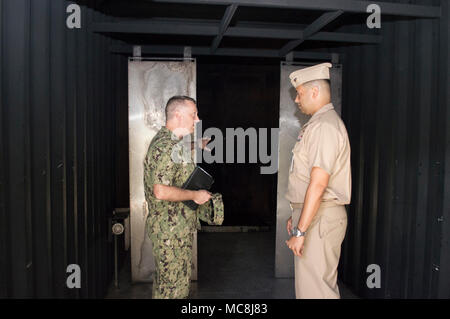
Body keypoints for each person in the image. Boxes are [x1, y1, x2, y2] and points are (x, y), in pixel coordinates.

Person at [143, 95, 223, 299]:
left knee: (172, 286)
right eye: (193, 114)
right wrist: (195, 195)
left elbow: (173, 156)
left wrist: (197, 145)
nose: (197, 119)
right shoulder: (165, 146)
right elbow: (160, 191)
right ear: (177, 115)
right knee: (172, 290)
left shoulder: (170, 142)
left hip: (176, 229)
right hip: (169, 233)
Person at [284, 63, 351, 299]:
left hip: (320, 219)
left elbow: (319, 184)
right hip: (315, 216)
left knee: (316, 292)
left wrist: (301, 231)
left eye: (299, 93)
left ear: (314, 92)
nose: (296, 100)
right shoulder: (318, 124)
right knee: (310, 289)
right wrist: (298, 216)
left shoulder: (324, 126)